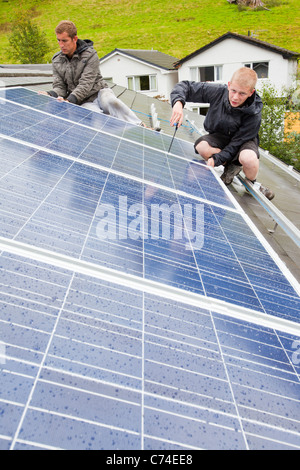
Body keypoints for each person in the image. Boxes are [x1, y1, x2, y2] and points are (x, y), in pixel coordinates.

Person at [170, 67, 274, 200]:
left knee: (248, 158)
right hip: (220, 136)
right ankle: (230, 166)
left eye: (242, 93)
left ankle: (252, 182)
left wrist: (216, 159)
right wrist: (178, 104)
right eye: (233, 91)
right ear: (229, 85)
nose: (235, 97)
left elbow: (237, 143)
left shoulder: (254, 112)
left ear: (251, 92)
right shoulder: (218, 92)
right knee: (201, 147)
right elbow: (185, 86)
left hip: (243, 142)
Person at [39, 20, 144, 126]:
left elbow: (86, 84)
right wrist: (50, 94)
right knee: (95, 117)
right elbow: (60, 87)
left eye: (65, 41)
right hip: (83, 101)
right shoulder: (57, 60)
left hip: (99, 93)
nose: (61, 45)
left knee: (111, 101)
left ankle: (140, 125)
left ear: (74, 39)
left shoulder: (90, 55)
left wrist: (69, 101)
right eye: (59, 40)